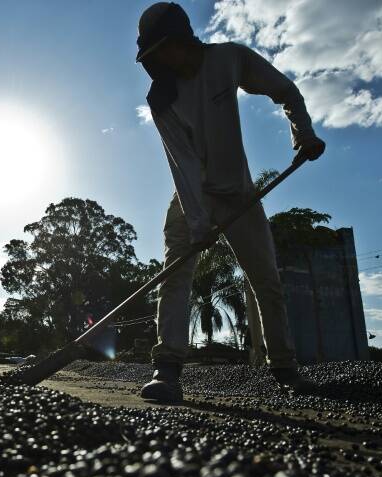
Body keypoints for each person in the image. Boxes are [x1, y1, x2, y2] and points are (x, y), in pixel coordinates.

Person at [136, 2, 325, 402]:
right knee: (175, 277)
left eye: (164, 49)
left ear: (183, 41)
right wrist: (199, 224)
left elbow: (285, 90)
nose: (162, 61)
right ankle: (166, 370)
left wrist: (303, 133)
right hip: (191, 197)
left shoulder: (229, 58)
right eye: (153, 57)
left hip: (239, 193)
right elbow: (183, 164)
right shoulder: (162, 97)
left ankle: (284, 369)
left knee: (266, 281)